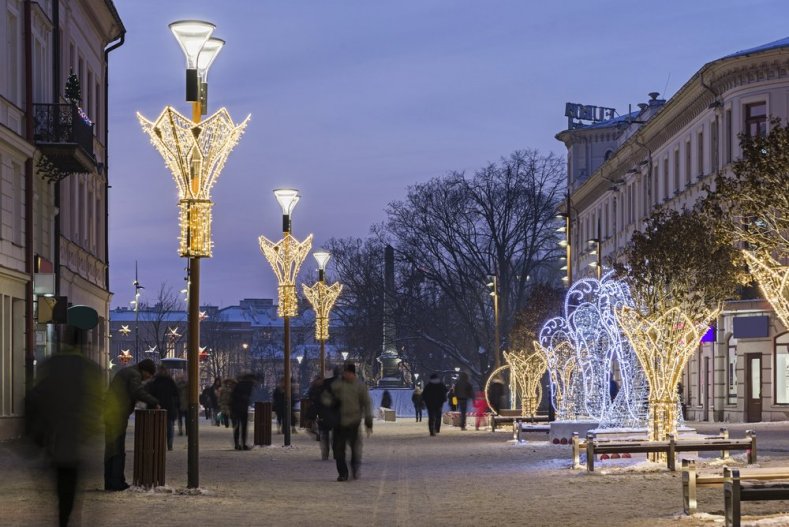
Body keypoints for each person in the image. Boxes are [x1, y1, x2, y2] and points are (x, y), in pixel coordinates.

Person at [26, 325, 103, 527]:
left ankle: (62, 517)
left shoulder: (49, 364)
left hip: (53, 437)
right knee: (71, 487)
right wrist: (91, 430)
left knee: (60, 483)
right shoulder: (90, 368)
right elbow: (96, 403)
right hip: (77, 439)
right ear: (84, 343)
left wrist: (37, 433)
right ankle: (66, 518)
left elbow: (36, 398)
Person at [104, 358, 160, 491]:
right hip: (117, 414)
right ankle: (116, 482)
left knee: (111, 449)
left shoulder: (127, 372)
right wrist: (154, 401)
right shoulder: (134, 374)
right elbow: (136, 391)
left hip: (111, 412)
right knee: (117, 449)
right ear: (145, 370)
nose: (148, 378)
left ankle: (110, 481)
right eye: (149, 375)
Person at [324, 362, 372, 481]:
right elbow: (325, 396)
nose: (346, 375)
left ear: (353, 374)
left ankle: (354, 467)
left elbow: (367, 403)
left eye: (348, 373)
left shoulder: (359, 386)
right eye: (345, 373)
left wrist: (368, 419)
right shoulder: (337, 384)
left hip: (353, 421)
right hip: (339, 422)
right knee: (338, 449)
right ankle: (343, 473)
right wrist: (332, 403)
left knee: (355, 448)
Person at [145, 365, 180, 450]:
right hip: (169, 408)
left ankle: (158, 445)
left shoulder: (155, 382)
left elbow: (150, 395)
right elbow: (176, 395)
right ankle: (169, 445)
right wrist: (176, 406)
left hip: (157, 408)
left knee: (157, 428)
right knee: (170, 428)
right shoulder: (170, 381)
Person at [231, 374, 255, 450]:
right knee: (244, 427)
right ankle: (243, 444)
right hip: (243, 408)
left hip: (236, 408)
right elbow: (248, 397)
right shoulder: (249, 385)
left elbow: (233, 396)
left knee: (237, 427)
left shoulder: (237, 385)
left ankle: (237, 444)